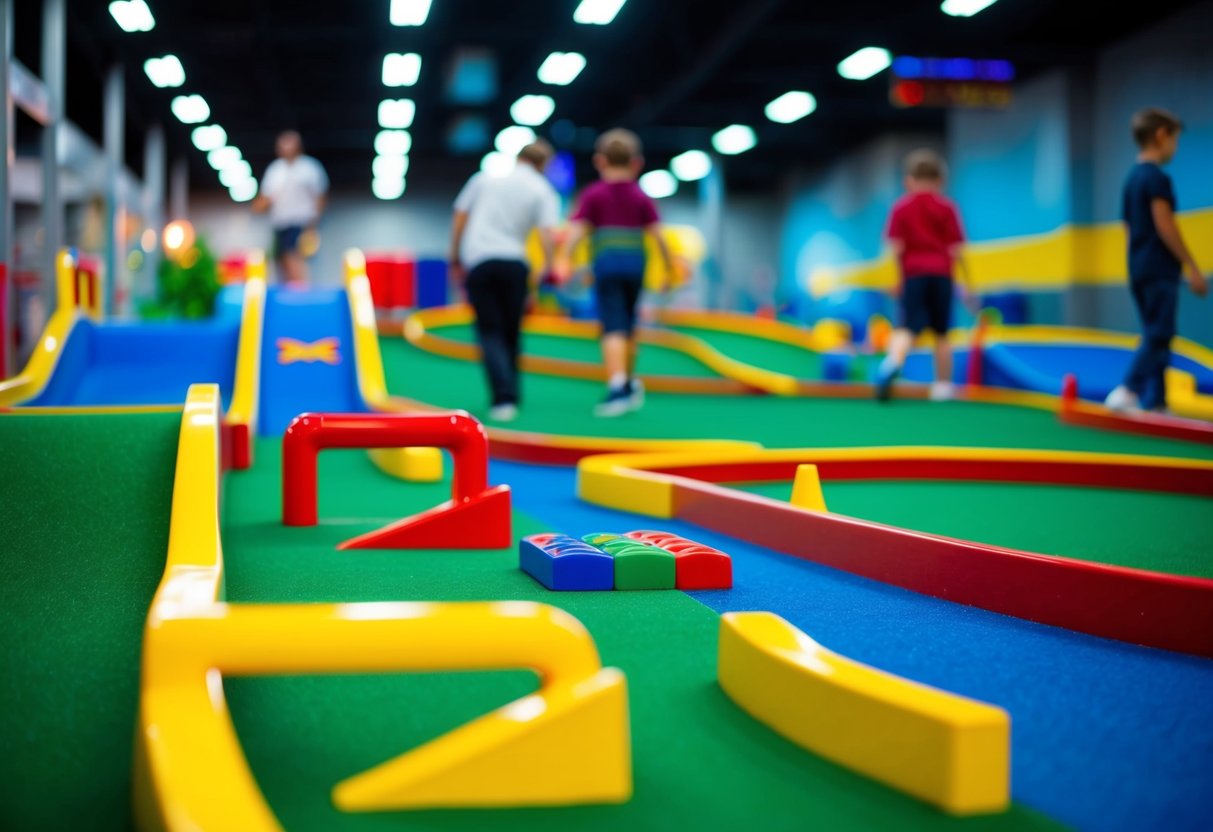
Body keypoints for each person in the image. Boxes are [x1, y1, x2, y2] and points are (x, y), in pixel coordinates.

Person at [558, 129, 673, 417]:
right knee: (629, 323)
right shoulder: (641, 196)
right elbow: (659, 236)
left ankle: (617, 386)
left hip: (608, 266)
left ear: (600, 161)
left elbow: (578, 230)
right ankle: (629, 382)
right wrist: (670, 269)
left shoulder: (594, 194)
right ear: (637, 163)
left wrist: (564, 258)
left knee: (612, 325)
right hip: (636, 267)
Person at [449, 140, 561, 422]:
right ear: (542, 165)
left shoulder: (485, 178)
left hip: (480, 261)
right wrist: (548, 267)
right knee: (512, 330)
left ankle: (502, 397)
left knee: (489, 330)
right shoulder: (543, 189)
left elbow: (460, 215)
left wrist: (454, 256)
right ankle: (513, 393)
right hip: (515, 264)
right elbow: (548, 234)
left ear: (518, 157)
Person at [1105, 108, 1208, 414]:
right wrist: (1191, 265)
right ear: (1161, 136)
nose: (1175, 147)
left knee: (1155, 333)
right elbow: (1165, 224)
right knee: (1160, 333)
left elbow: (1127, 228)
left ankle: (1157, 401)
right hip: (1159, 268)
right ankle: (1128, 389)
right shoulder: (1157, 179)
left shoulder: (1131, 179)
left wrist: (1136, 260)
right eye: (1174, 139)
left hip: (1138, 266)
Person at [875, 149, 968, 402]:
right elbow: (957, 250)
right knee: (942, 333)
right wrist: (967, 284)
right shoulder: (947, 208)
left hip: (914, 274)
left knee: (907, 327)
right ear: (940, 181)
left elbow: (895, 248)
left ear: (909, 181)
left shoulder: (902, 208)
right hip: (941, 274)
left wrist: (895, 279)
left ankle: (893, 361)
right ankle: (943, 386)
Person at [253, 131, 329, 285]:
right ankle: (289, 294)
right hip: (280, 223)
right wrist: (259, 205)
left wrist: (313, 224)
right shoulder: (274, 170)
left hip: (301, 222)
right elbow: (265, 198)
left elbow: (320, 196)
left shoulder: (310, 168)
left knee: (293, 256)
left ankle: (301, 293)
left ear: (298, 146)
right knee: (281, 260)